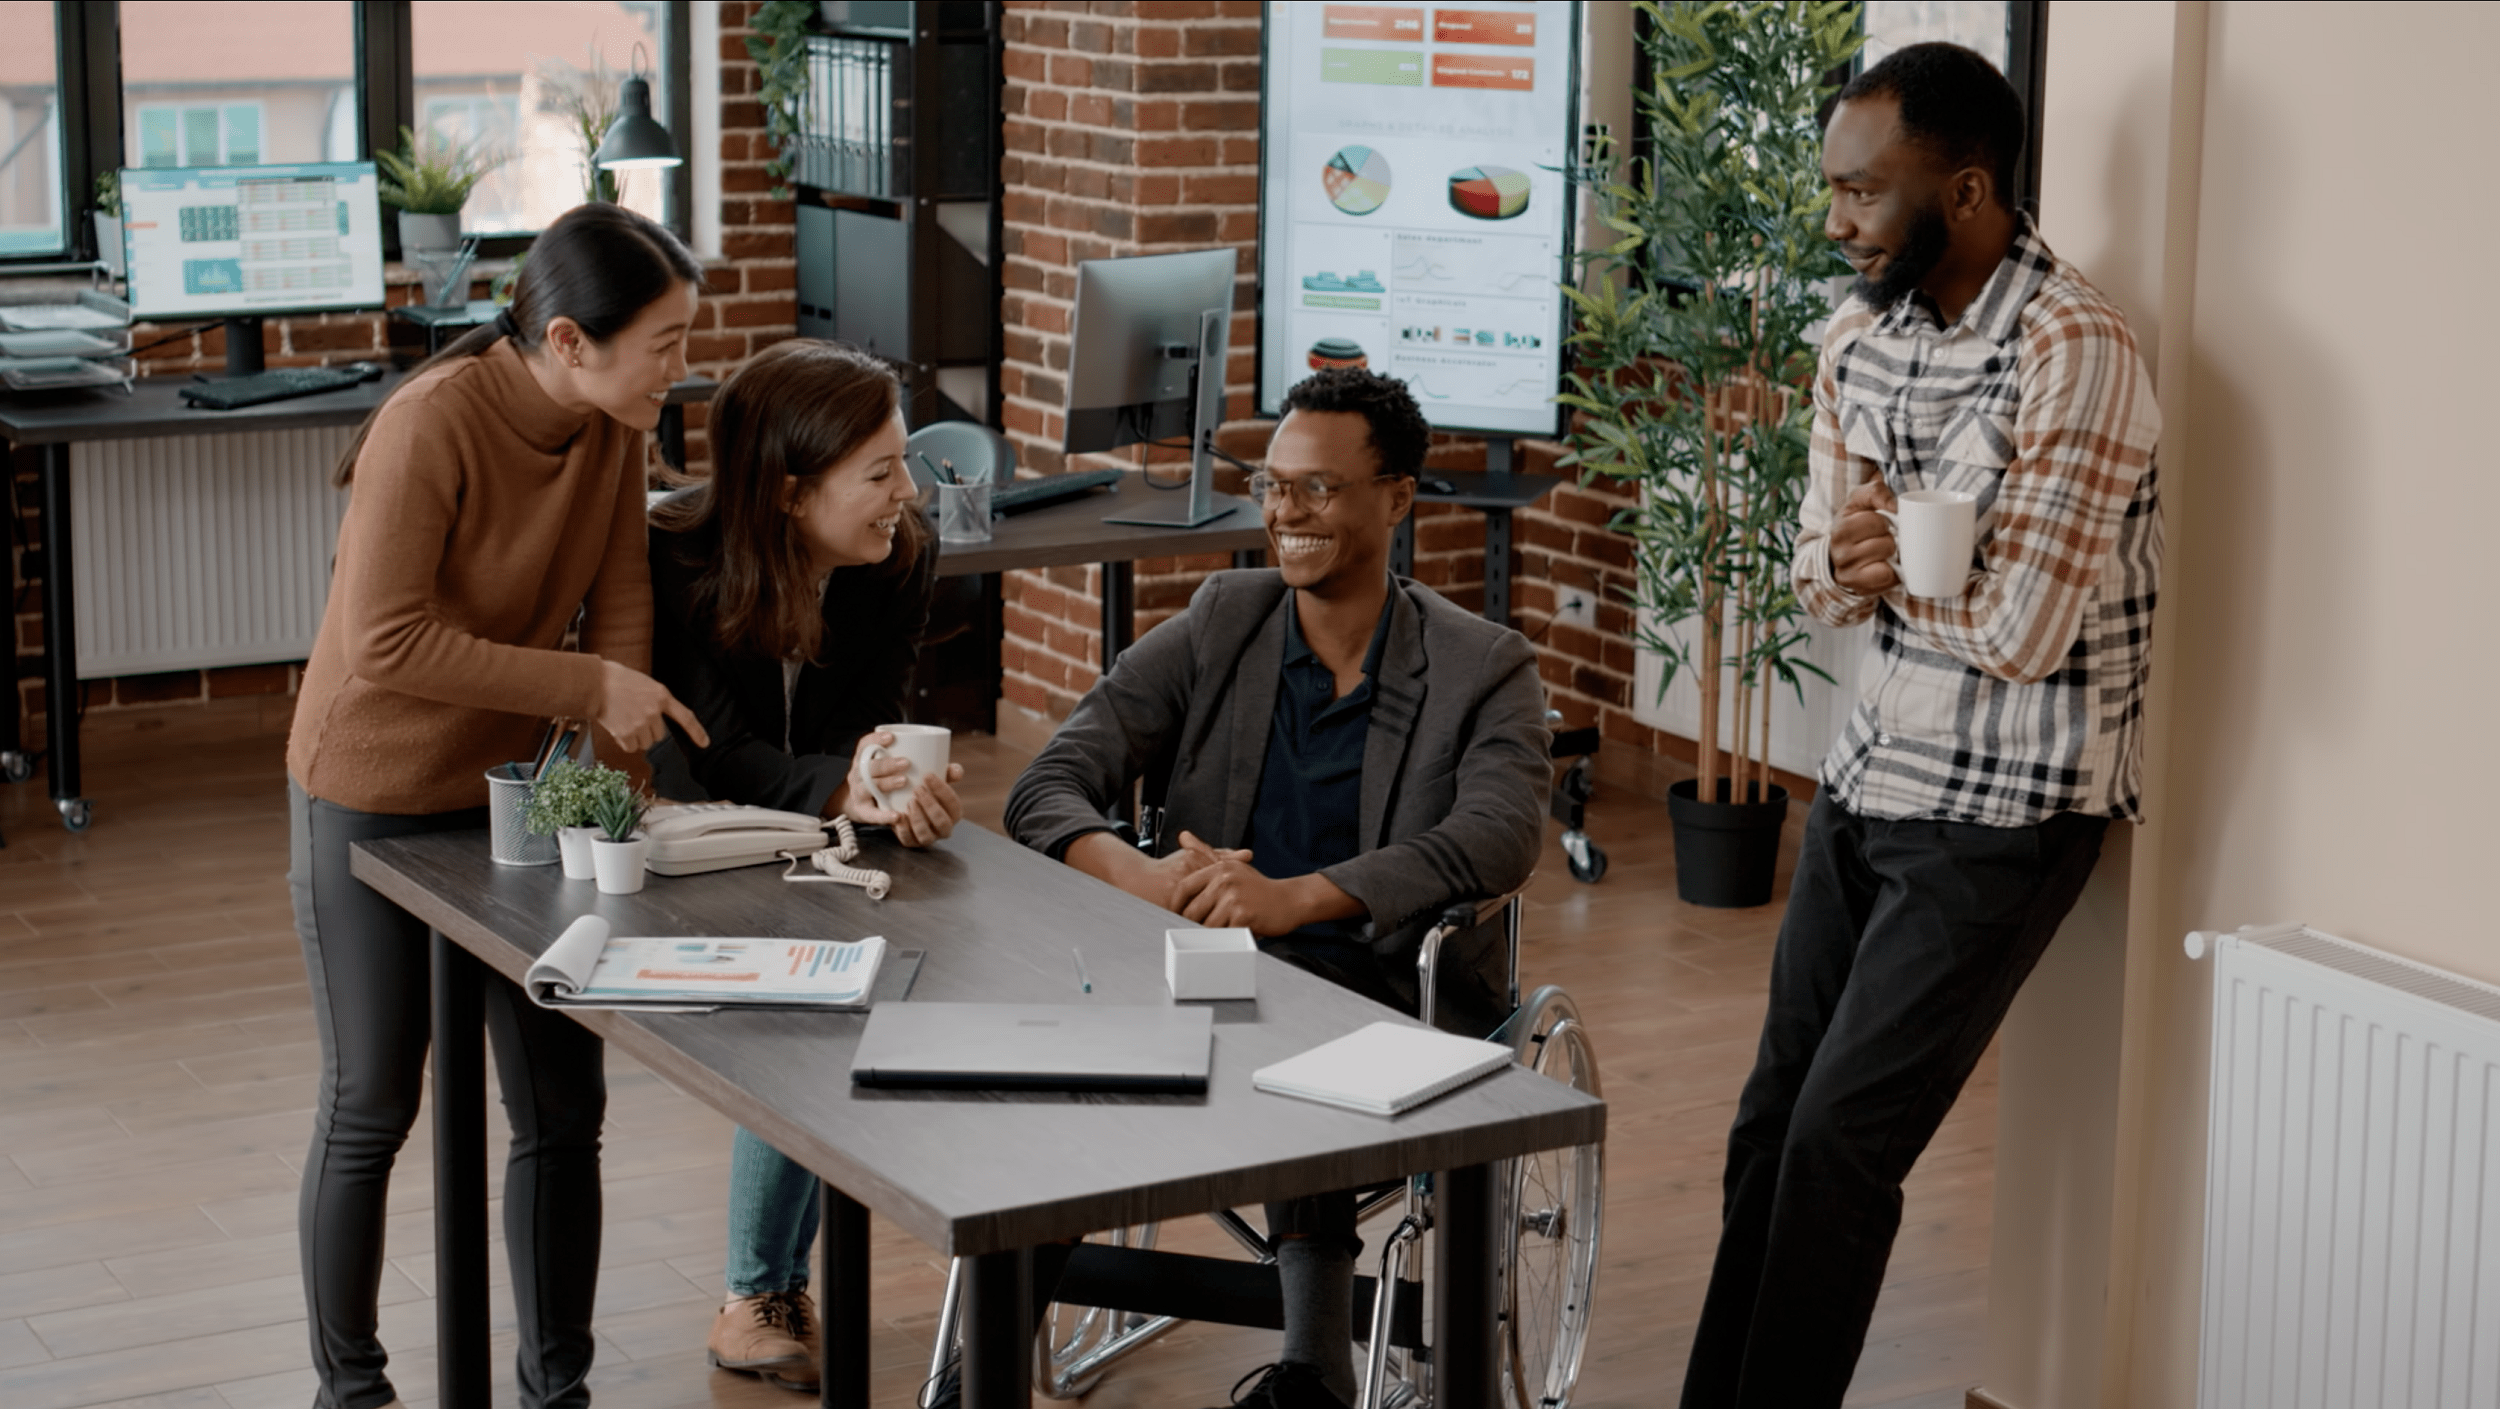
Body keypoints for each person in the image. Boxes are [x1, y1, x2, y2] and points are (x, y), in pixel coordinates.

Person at [1678, 43, 2163, 1409]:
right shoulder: (1855, 334)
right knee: (1773, 1127)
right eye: (1833, 189)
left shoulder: (2080, 349)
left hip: (2008, 810)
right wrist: (1875, 563)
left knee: (1842, 1143)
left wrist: (1887, 572)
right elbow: (1817, 575)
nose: (1836, 221)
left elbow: (2026, 638)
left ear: (1967, 188)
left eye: (1863, 194)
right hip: (1867, 773)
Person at [1004, 367, 1551, 1409]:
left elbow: (1498, 832)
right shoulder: (1226, 618)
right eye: (1274, 486)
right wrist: (1148, 876)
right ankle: (973, 1370)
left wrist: (1297, 897)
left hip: (1388, 988)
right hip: (1201, 969)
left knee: (1298, 1027)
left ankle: (1311, 1369)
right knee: (1065, 1071)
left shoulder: (1484, 663)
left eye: (1319, 489)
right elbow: (1050, 781)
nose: (1286, 514)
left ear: (1396, 497)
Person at [285, 203, 708, 1409]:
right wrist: (589, 687)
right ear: (570, 340)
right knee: (374, 1097)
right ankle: (352, 1392)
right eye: (665, 342)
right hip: (368, 788)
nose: (682, 369)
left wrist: (607, 795)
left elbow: (620, 598)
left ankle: (554, 1389)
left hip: (516, 793)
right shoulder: (431, 426)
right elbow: (385, 640)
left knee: (563, 1102)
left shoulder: (615, 421)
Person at [644, 338, 966, 1393]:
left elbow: (879, 703)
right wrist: (846, 786)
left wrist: (888, 774)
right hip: (686, 832)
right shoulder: (677, 557)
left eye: (903, 461)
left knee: (876, 975)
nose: (905, 493)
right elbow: (714, 749)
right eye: (879, 471)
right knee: (810, 1001)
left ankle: (773, 1287)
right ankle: (760, 1289)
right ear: (789, 492)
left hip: (819, 826)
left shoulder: (900, 551)